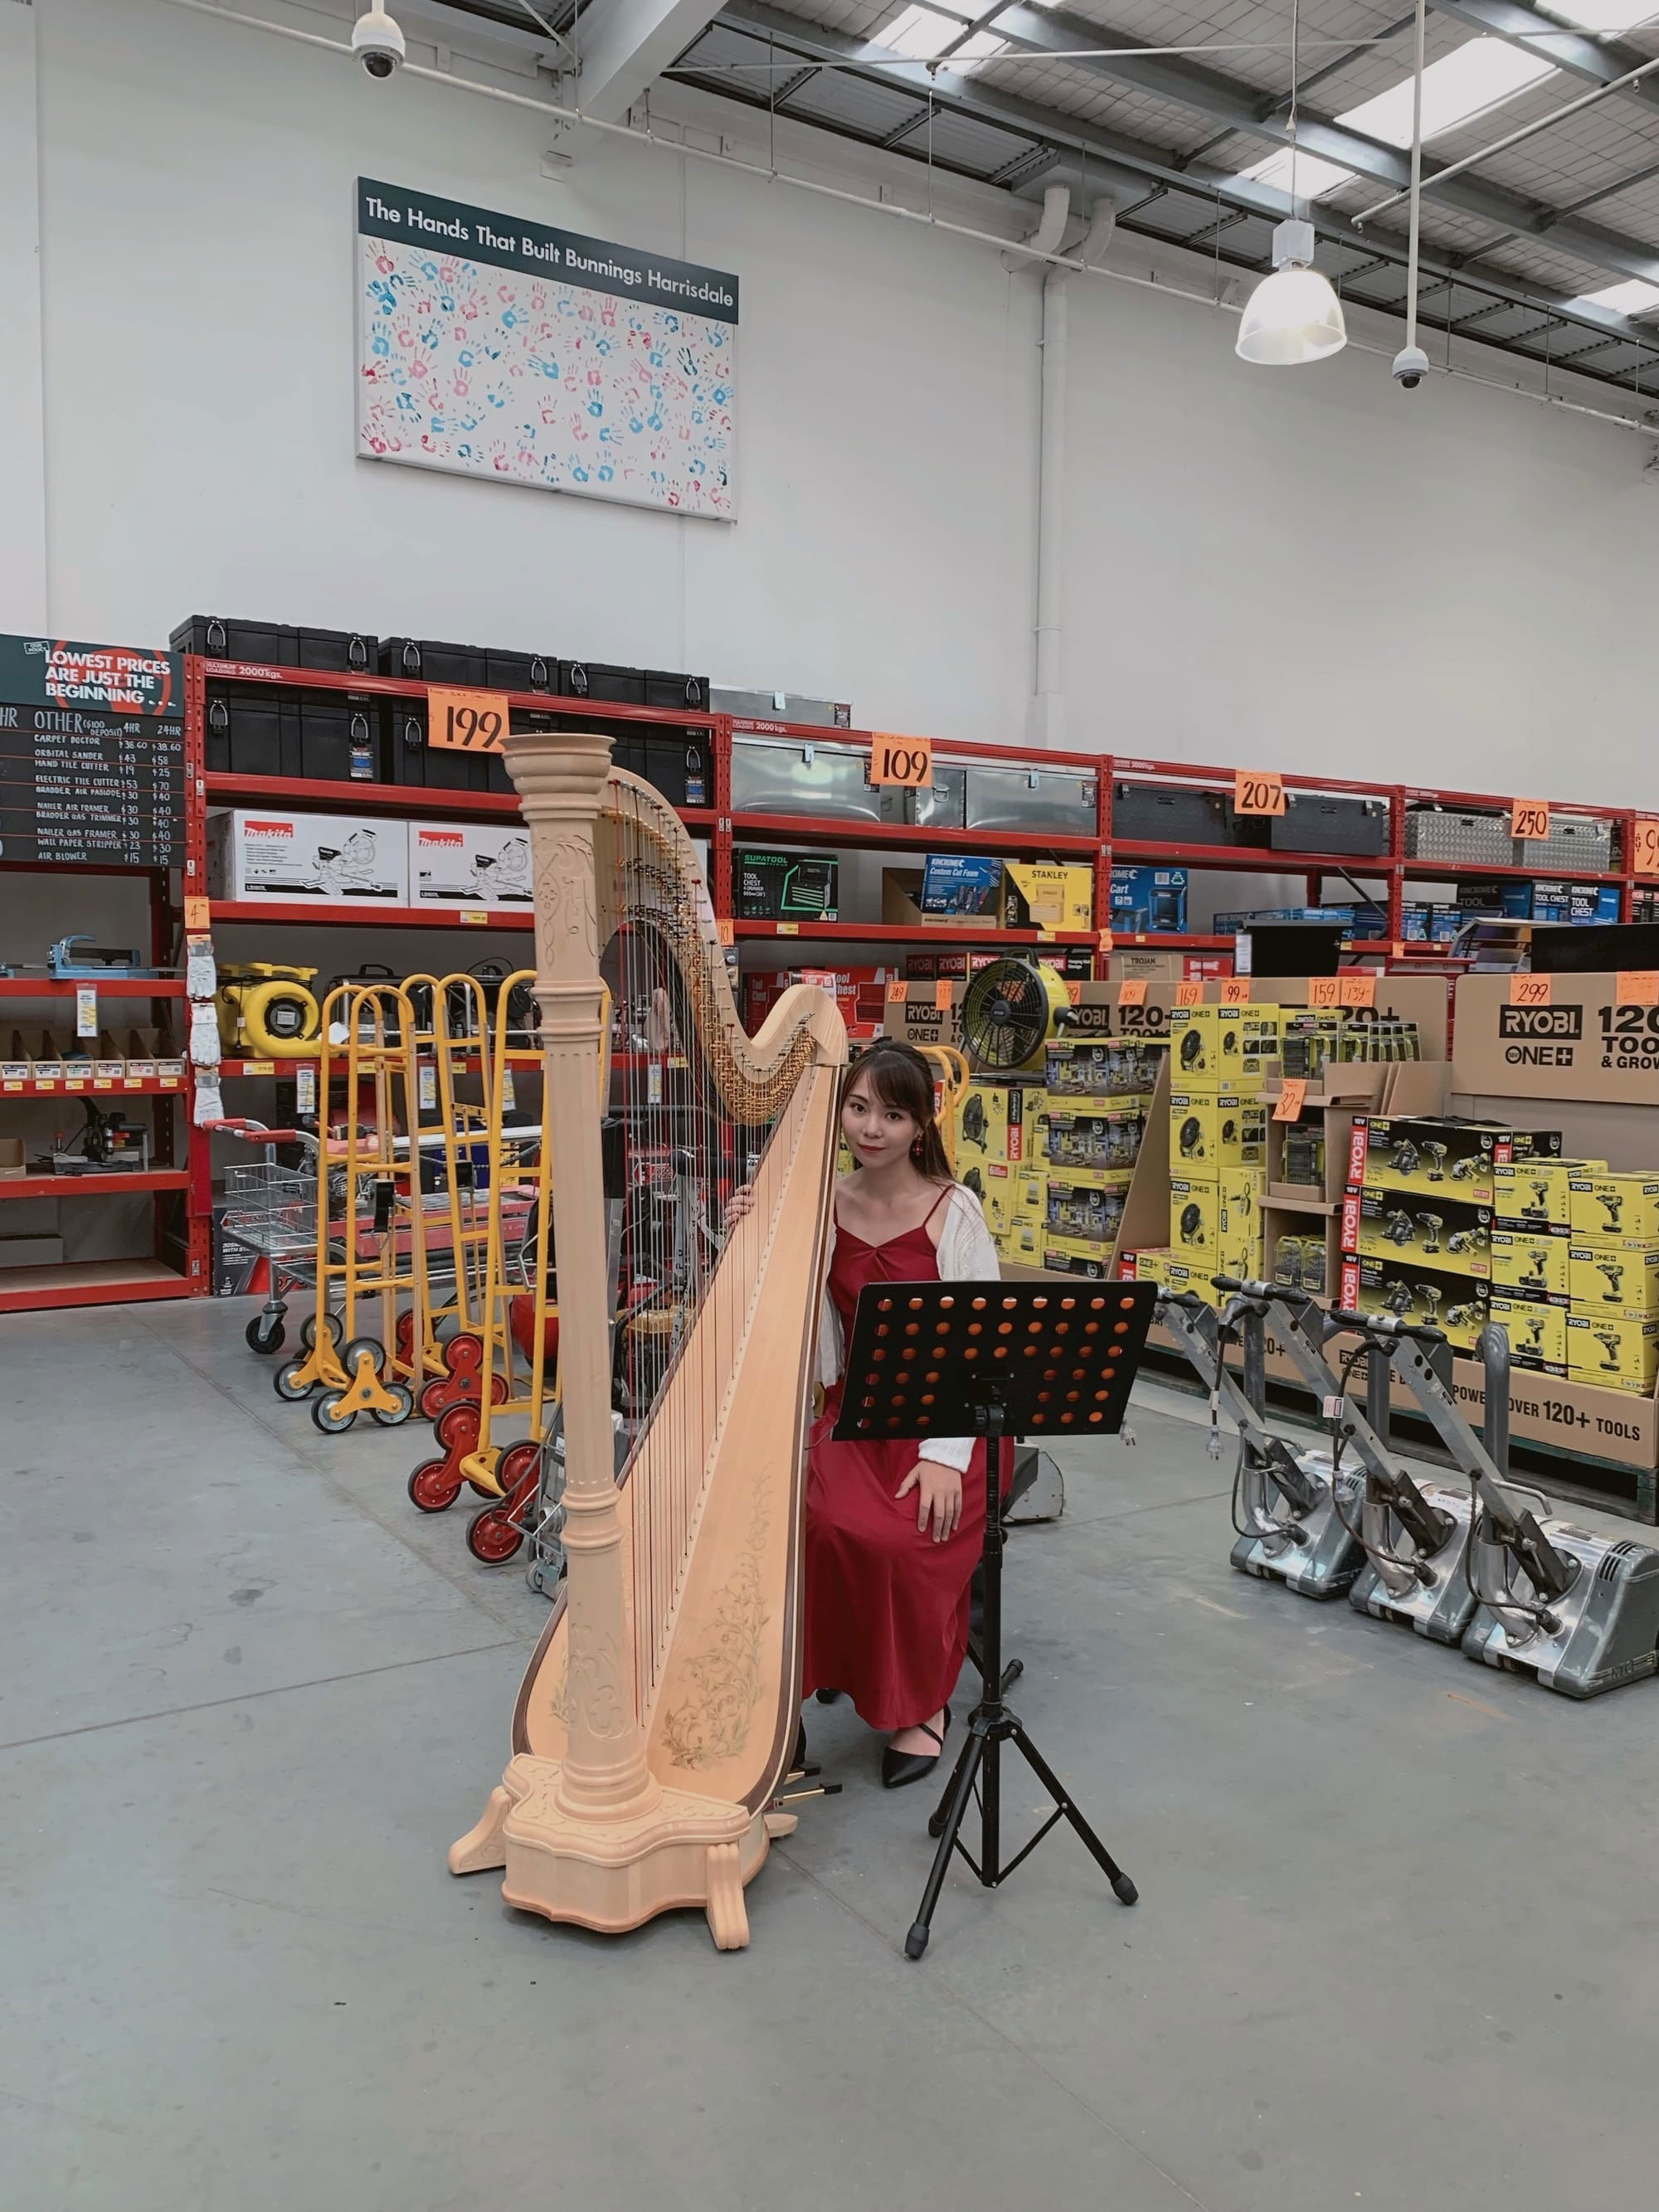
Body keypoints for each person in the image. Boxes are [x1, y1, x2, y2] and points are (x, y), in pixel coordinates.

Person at [731, 1040, 1000, 1789]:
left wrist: (946, 1456)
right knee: (811, 1525)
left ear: (921, 1124)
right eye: (857, 1107)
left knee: (903, 1540)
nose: (871, 1127)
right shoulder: (818, 1200)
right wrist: (753, 1232)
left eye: (892, 1112)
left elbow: (983, 1350)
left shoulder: (955, 1211)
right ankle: (793, 1701)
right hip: (854, 1409)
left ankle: (921, 1704)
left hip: (953, 1414)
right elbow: (798, 1326)